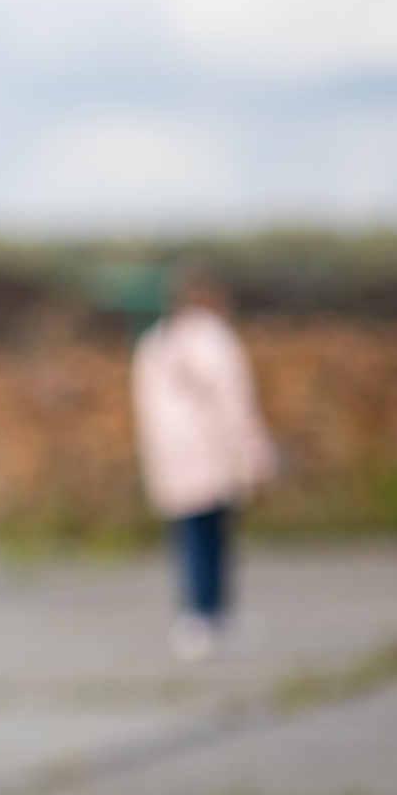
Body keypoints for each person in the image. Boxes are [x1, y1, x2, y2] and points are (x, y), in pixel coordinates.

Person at [131, 268, 275, 661]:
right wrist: (254, 451)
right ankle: (214, 612)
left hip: (171, 452)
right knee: (216, 533)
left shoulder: (154, 342)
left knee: (188, 534)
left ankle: (196, 615)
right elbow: (235, 401)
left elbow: (144, 407)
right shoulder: (217, 338)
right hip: (213, 451)